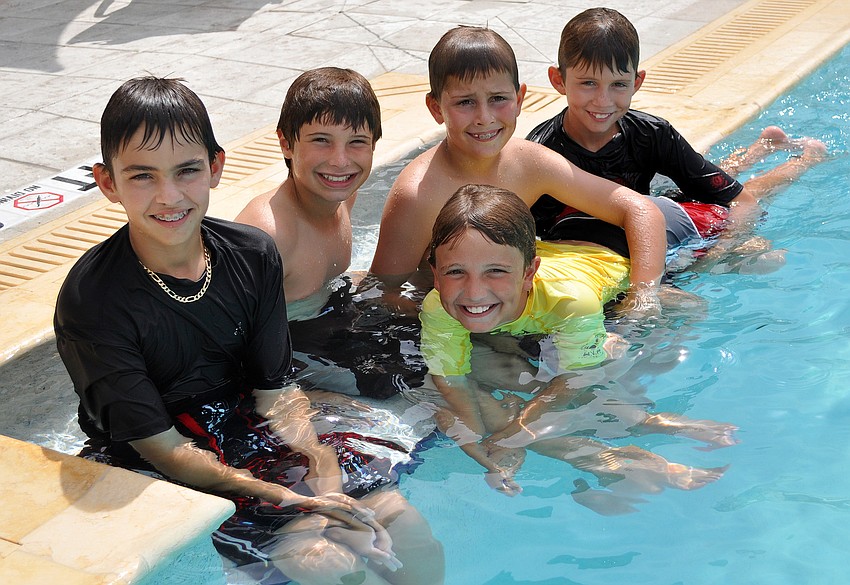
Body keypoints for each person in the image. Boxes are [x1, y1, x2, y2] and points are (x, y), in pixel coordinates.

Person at [54, 76, 443, 585]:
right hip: (156, 456)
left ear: (216, 167)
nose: (169, 196)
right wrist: (291, 499)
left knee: (411, 535)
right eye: (143, 176)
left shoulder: (250, 256)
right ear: (107, 182)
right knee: (332, 569)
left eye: (187, 171)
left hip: (244, 424)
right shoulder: (94, 301)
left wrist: (321, 466)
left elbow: (277, 392)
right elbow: (162, 449)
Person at [417, 184, 737, 513]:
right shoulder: (439, 307)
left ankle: (651, 423)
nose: (474, 292)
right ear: (436, 276)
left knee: (609, 360)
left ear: (529, 273)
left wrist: (507, 439)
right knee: (460, 378)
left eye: (495, 272)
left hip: (618, 265)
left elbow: (573, 382)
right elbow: (451, 382)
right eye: (456, 272)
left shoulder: (570, 300)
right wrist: (481, 449)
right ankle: (636, 435)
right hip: (555, 263)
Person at [369, 25, 667, 310]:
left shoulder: (528, 164)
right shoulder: (419, 195)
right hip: (454, 318)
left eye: (498, 99)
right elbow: (381, 293)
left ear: (520, 98)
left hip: (510, 307)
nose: (484, 118)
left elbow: (640, 210)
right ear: (436, 108)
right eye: (465, 102)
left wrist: (642, 296)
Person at [527, 7, 827, 272]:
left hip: (656, 208)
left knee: (739, 194)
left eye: (619, 84)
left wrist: (719, 249)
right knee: (700, 190)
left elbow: (741, 201)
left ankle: (806, 159)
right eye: (588, 83)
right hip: (635, 218)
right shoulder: (540, 153)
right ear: (558, 80)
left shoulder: (652, 133)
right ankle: (762, 146)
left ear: (637, 82)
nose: (603, 100)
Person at [237, 67, 426, 399]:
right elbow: (226, 343)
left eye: (356, 143)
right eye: (321, 141)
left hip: (329, 317)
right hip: (286, 353)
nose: (340, 161)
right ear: (286, 143)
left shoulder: (342, 196)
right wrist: (305, 399)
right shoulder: (268, 234)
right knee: (393, 393)